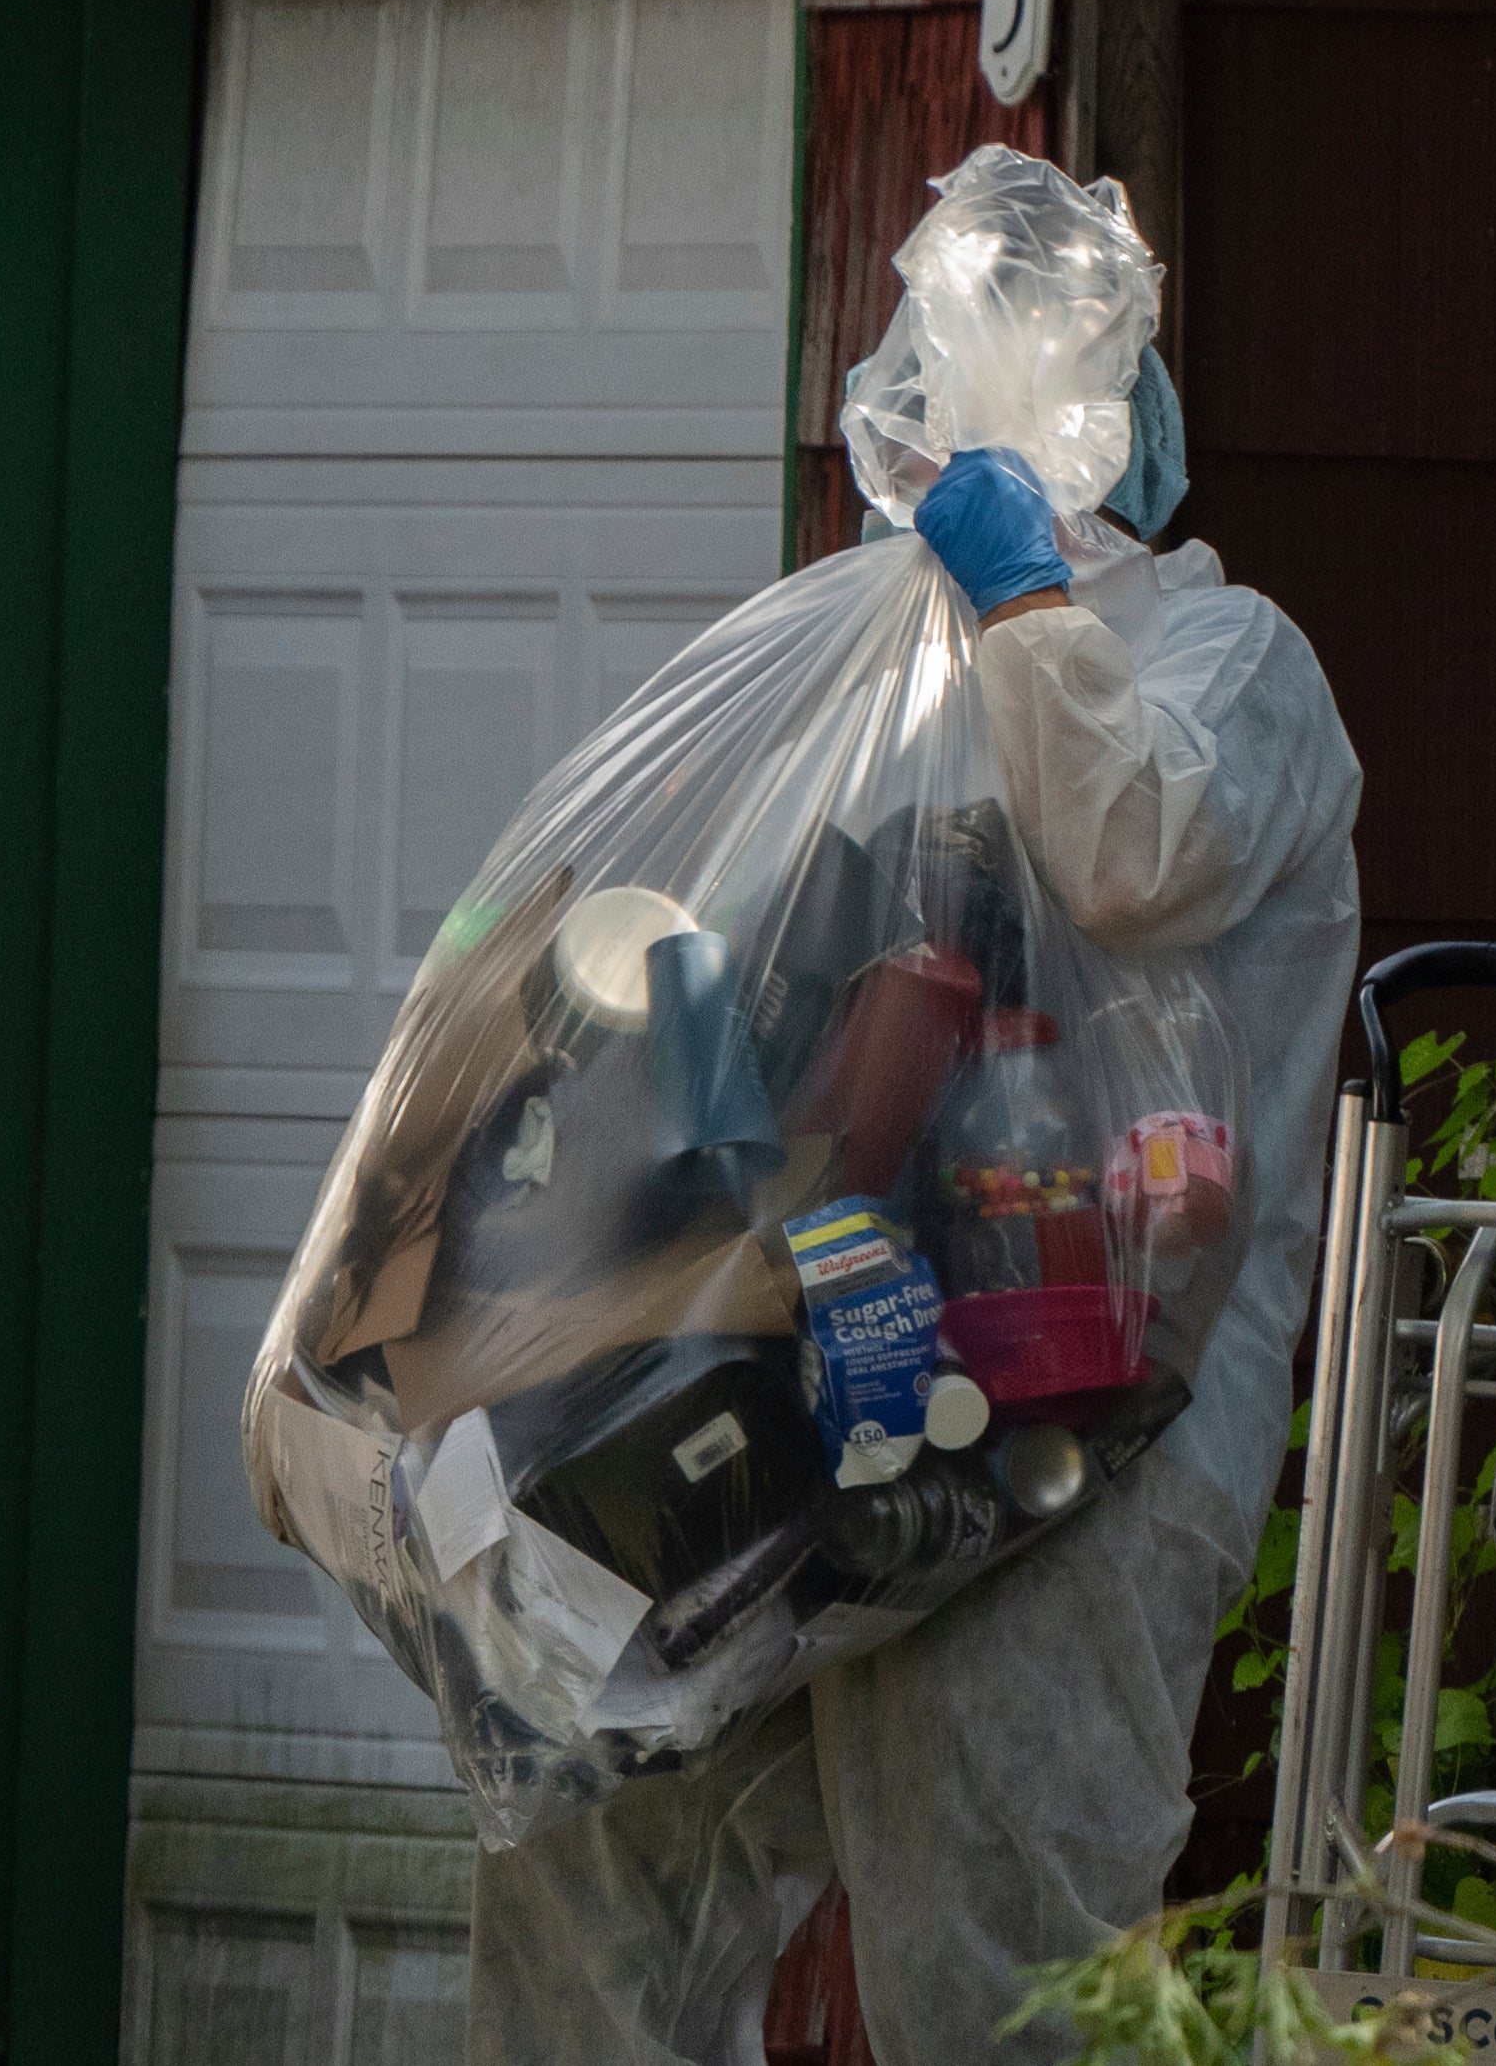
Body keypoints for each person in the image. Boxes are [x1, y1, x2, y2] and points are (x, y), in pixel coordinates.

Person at [464, 332, 1365, 2057]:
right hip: (813, 1391)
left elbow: (1126, 849)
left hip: (1078, 1442)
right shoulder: (892, 691)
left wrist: (1028, 601)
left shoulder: (1235, 662)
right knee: (598, 1867)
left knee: (1004, 1963)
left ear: (1106, 437)